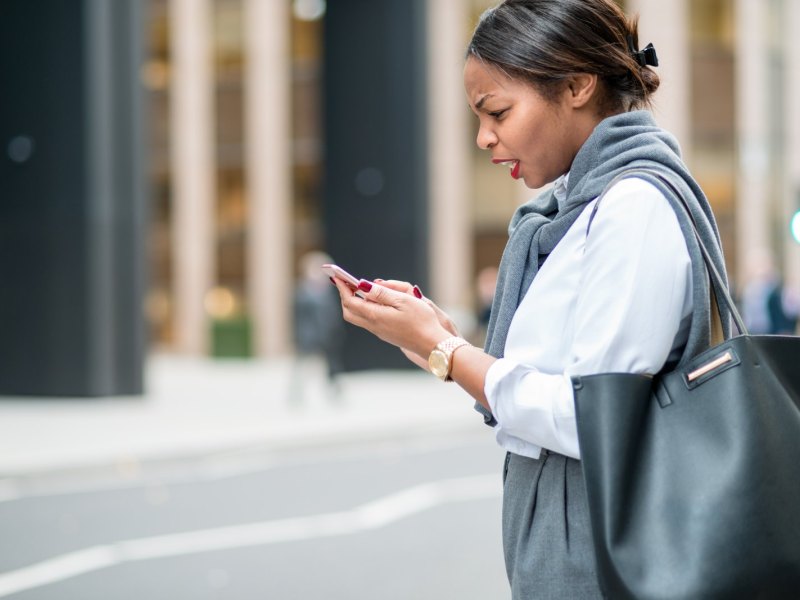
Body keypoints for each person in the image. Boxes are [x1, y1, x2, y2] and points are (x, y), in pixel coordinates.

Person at [330, 0, 731, 597]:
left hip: (609, 562)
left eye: (497, 111)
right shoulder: (578, 212)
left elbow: (592, 416)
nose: (484, 136)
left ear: (575, 85)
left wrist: (445, 351)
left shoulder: (631, 208)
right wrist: (442, 341)